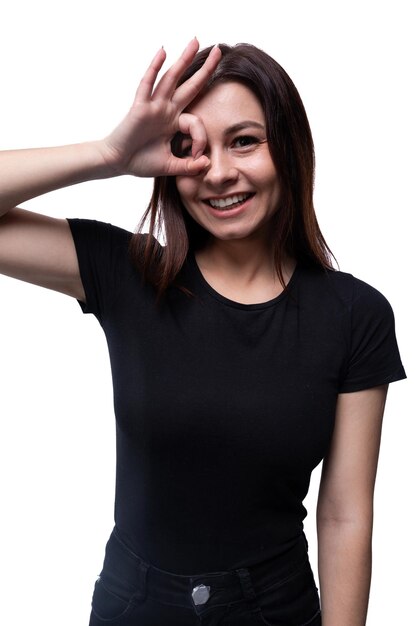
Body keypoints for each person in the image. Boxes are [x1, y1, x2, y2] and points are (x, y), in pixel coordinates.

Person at [0, 38, 406, 626]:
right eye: (190, 148)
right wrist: (111, 153)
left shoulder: (354, 315)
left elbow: (344, 513)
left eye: (244, 141)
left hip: (274, 608)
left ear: (288, 149)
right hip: (134, 604)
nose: (217, 173)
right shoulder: (130, 274)